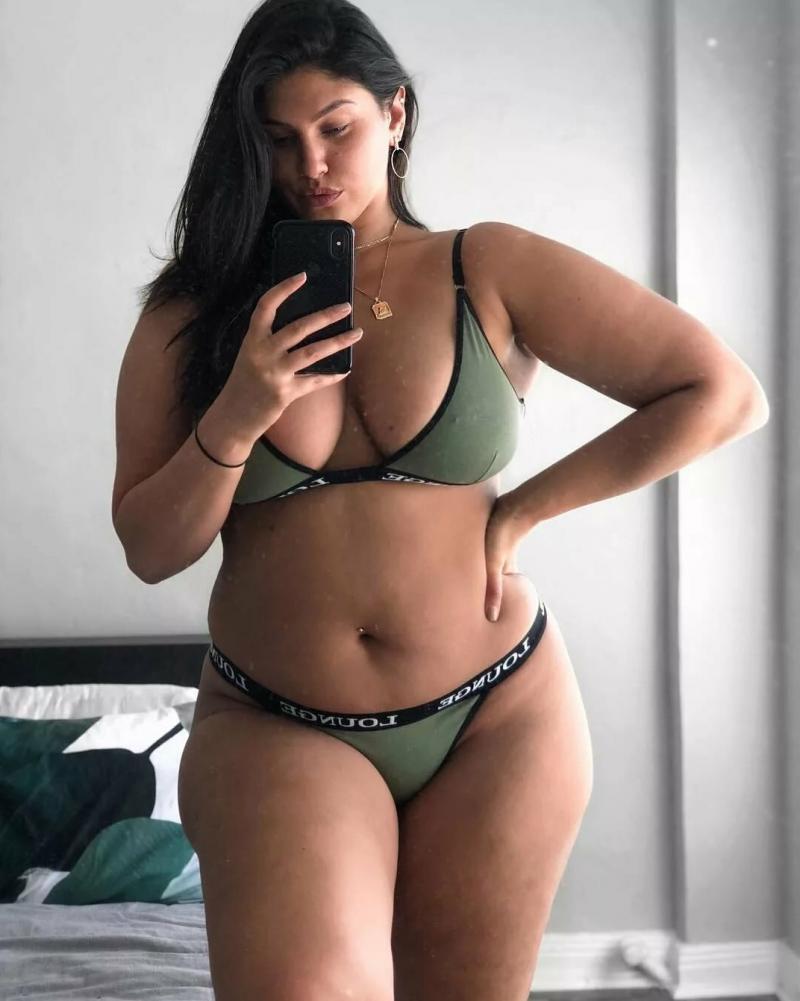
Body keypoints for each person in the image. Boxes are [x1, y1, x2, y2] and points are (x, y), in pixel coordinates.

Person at [111, 1, 769, 999]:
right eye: (280, 139)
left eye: (336, 127)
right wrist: (238, 413)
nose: (311, 164)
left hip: (497, 717)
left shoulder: (484, 266)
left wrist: (522, 511)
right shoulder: (194, 309)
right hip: (279, 721)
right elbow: (151, 549)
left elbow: (720, 392)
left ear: (395, 114)